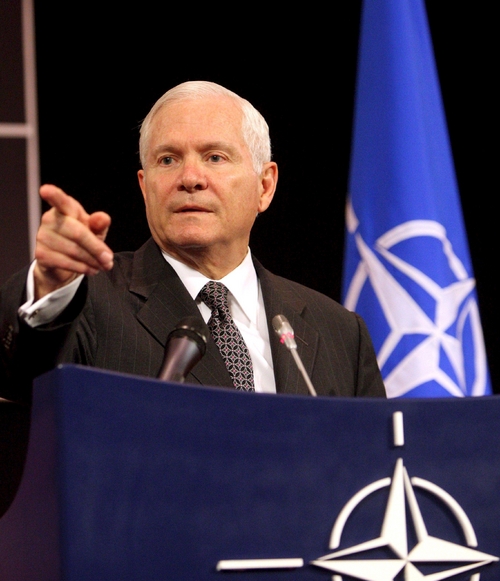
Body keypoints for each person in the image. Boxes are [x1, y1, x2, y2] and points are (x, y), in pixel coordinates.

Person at [0, 81, 385, 403]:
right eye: (168, 160)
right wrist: (49, 289)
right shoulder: (90, 301)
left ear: (265, 186)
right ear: (145, 187)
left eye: (215, 157)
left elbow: (374, 464)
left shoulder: (340, 333)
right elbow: (18, 382)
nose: (190, 178)